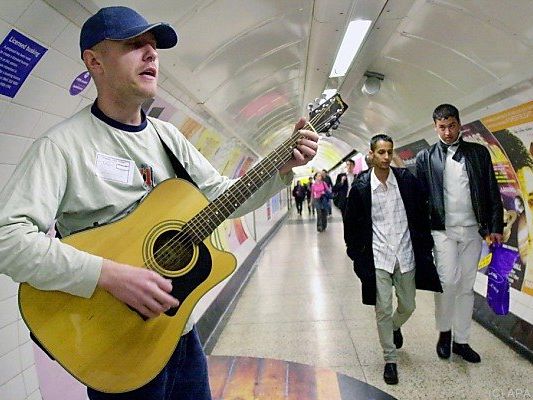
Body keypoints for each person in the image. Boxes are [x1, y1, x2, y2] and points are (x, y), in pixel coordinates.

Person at [0, 6, 319, 400]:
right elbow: (8, 240)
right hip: (113, 345)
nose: (152, 53)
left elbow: (220, 197)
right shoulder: (62, 146)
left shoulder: (168, 137)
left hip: (178, 335)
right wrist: (110, 274)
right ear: (94, 61)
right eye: (135, 44)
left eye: (154, 46)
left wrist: (279, 166)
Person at [344, 134, 441, 385]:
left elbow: (424, 204)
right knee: (383, 308)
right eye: (381, 153)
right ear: (371, 154)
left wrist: (425, 241)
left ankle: (394, 327)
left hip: (405, 254)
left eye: (389, 152)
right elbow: (351, 225)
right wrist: (356, 254)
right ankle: (390, 359)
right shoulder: (362, 187)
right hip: (378, 257)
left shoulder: (406, 181)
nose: (386, 157)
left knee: (409, 305)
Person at [415, 104, 503, 364]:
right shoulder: (425, 157)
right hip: (442, 230)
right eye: (442, 127)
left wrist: (494, 226)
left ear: (460, 124)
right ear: (435, 127)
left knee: (466, 286)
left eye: (451, 126)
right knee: (447, 282)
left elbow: (491, 190)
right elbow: (421, 198)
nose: (447, 132)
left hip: (474, 230)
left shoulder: (478, 153)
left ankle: (461, 341)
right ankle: (444, 332)